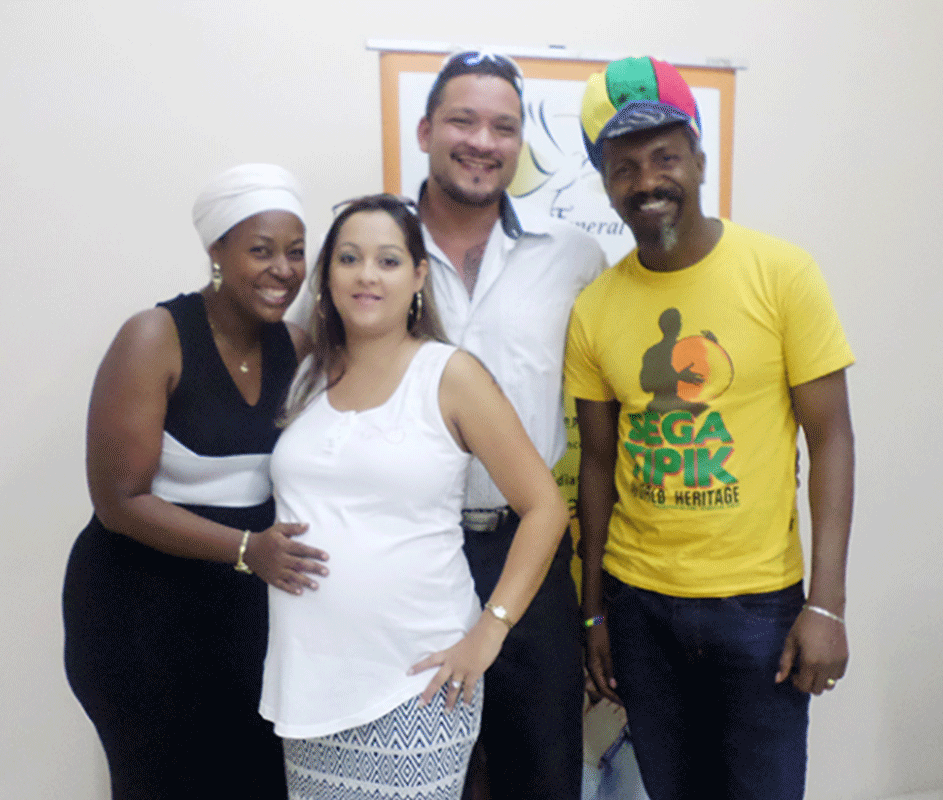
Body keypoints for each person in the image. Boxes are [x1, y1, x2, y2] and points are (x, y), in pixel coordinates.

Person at [567, 57, 856, 800]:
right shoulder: (595, 309)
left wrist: (826, 604)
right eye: (624, 166)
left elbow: (832, 440)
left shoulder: (782, 274)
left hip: (758, 605)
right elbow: (596, 465)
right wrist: (595, 612)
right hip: (639, 606)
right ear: (605, 182)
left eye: (665, 157)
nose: (647, 180)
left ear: (698, 159)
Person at [259, 194, 569, 800]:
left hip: (417, 679)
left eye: (388, 260)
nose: (367, 276)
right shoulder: (307, 374)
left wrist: (490, 630)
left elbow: (545, 507)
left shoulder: (449, 374)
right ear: (327, 276)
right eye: (349, 258)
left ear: (419, 276)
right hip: (310, 681)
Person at [62, 164, 330, 799]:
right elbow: (119, 500)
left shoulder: (297, 347)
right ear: (217, 251)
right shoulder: (155, 337)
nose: (283, 269)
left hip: (245, 614)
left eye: (295, 252)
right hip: (138, 610)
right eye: (260, 251)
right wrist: (246, 549)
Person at [414, 49, 609, 799]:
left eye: (503, 127)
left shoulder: (573, 257)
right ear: (426, 130)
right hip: (410, 550)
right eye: (462, 121)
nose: (482, 142)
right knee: (422, 772)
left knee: (543, 774)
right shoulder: (375, 252)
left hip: (528, 549)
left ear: (520, 144)